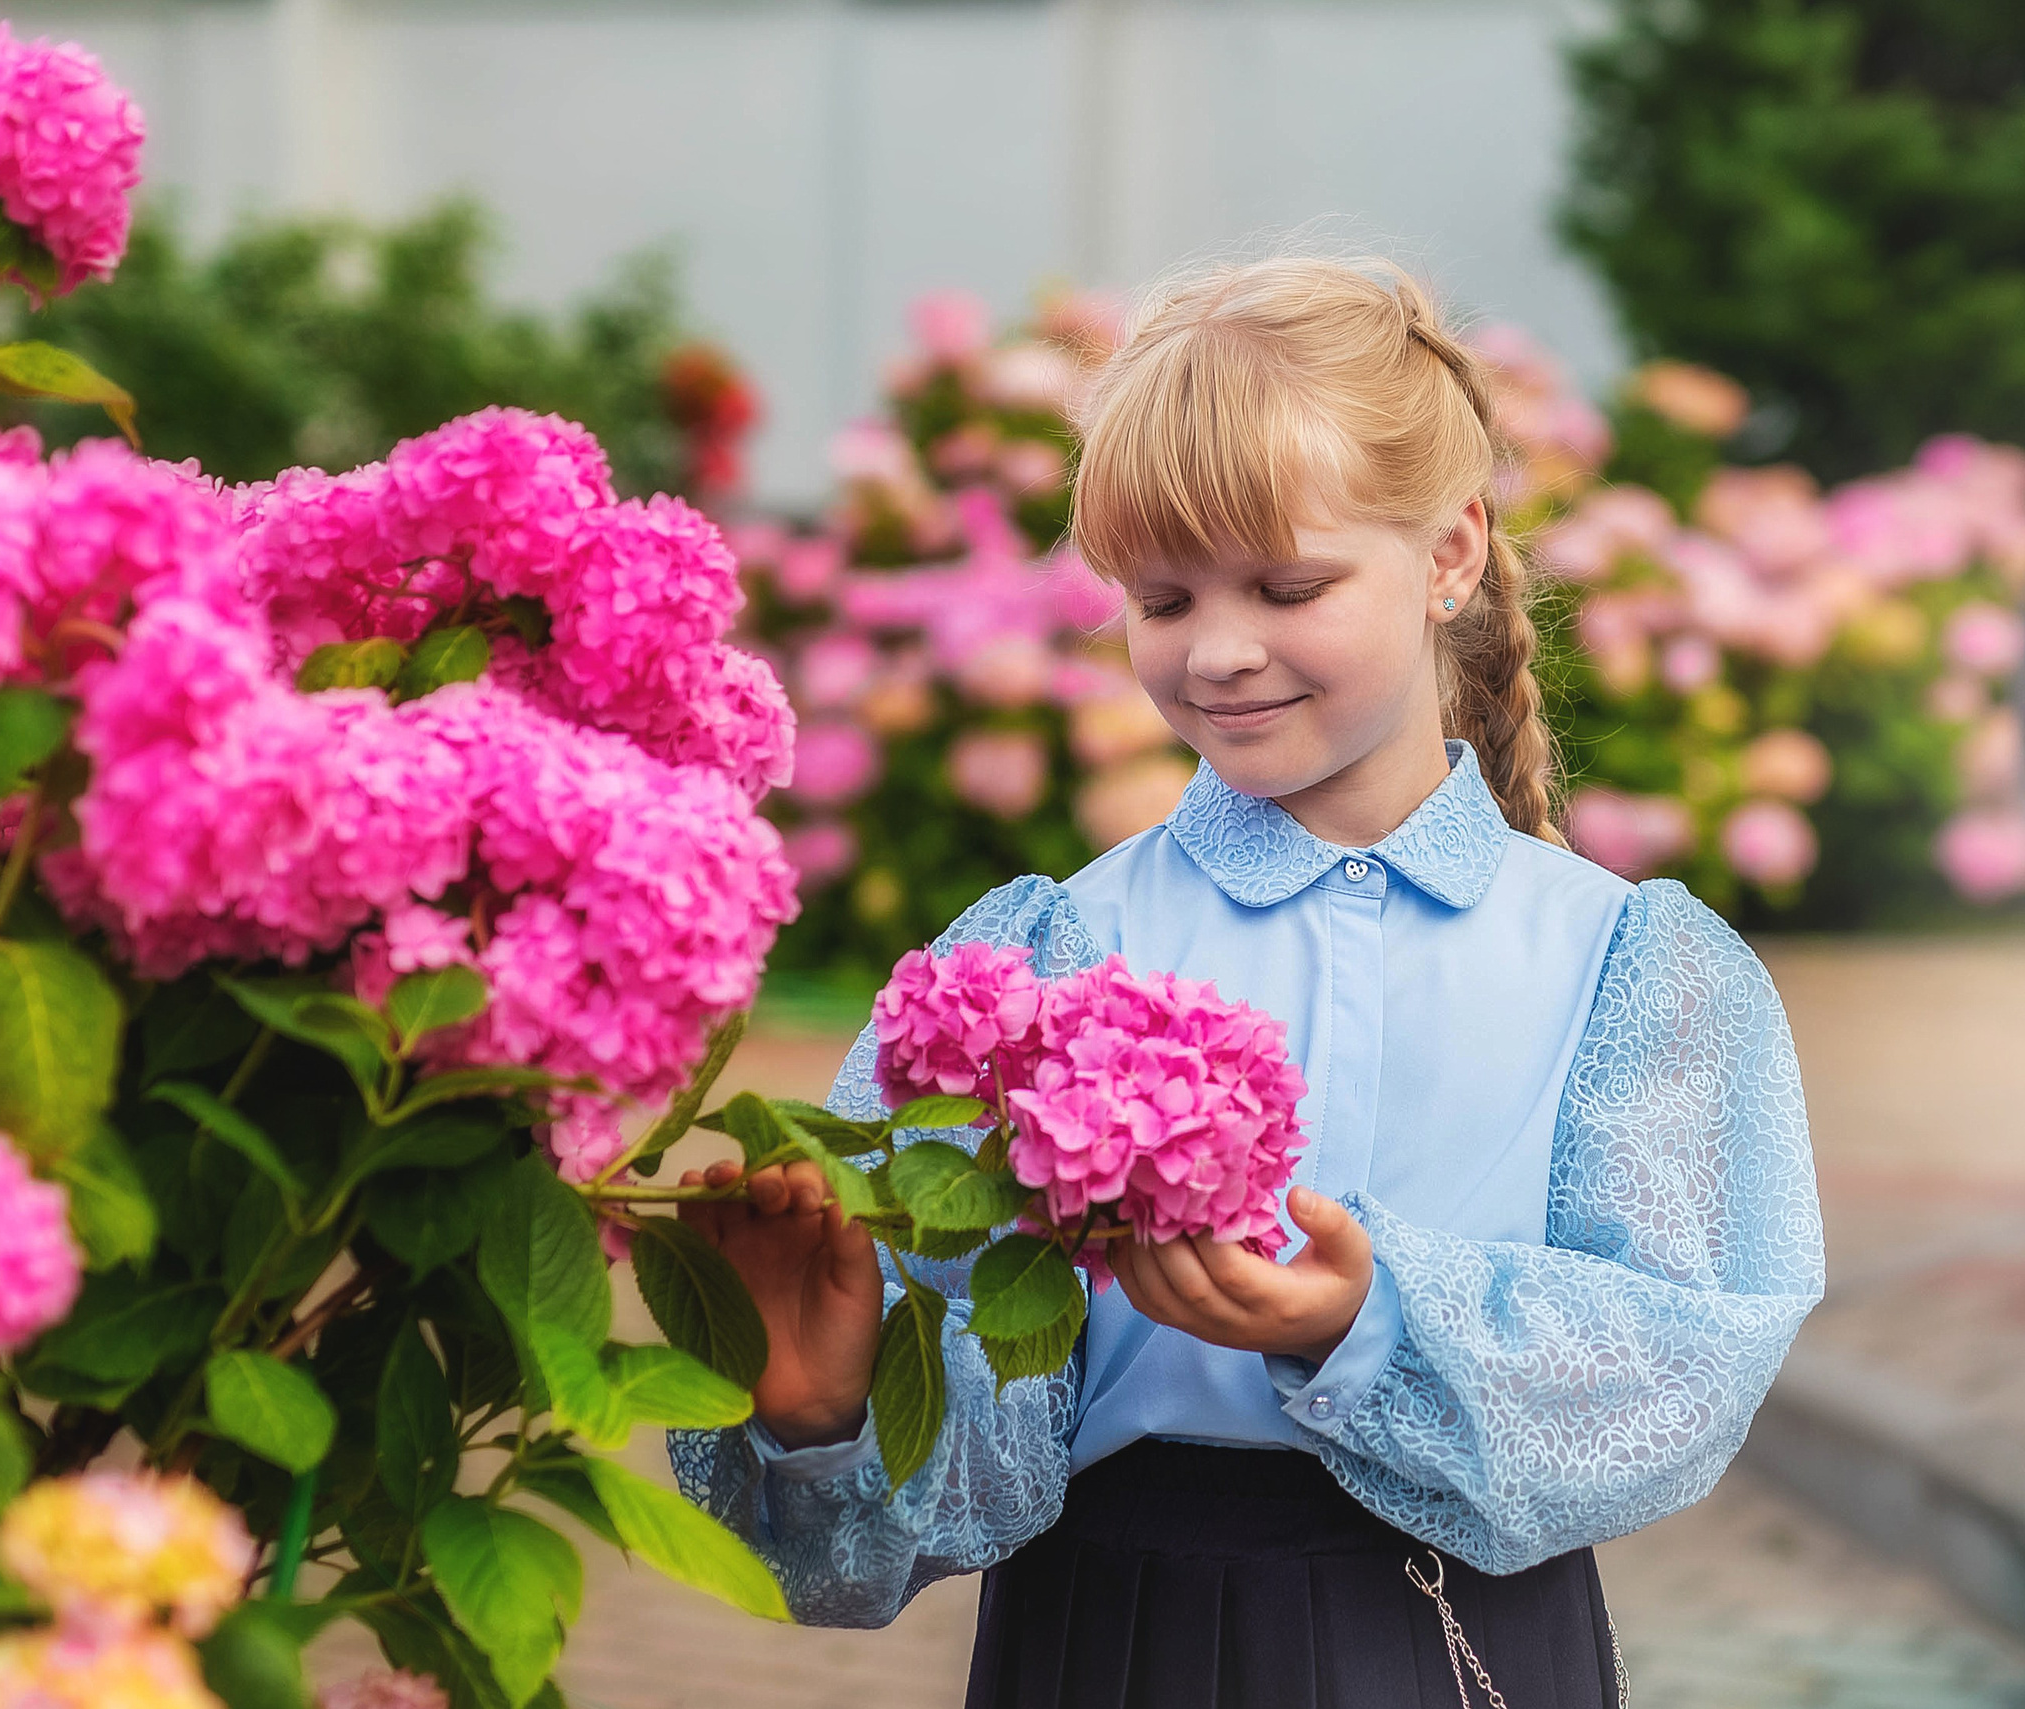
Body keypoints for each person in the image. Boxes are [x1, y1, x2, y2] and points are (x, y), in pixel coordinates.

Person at [666, 258, 1825, 1709]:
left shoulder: (1619, 966)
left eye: (1291, 585)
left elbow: (1681, 1359)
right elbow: (913, 1489)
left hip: (1458, 1642)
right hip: (1111, 1639)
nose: (1218, 649)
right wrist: (826, 1402)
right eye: (1162, 597)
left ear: (1450, 554)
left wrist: (1370, 1322)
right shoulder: (1040, 957)